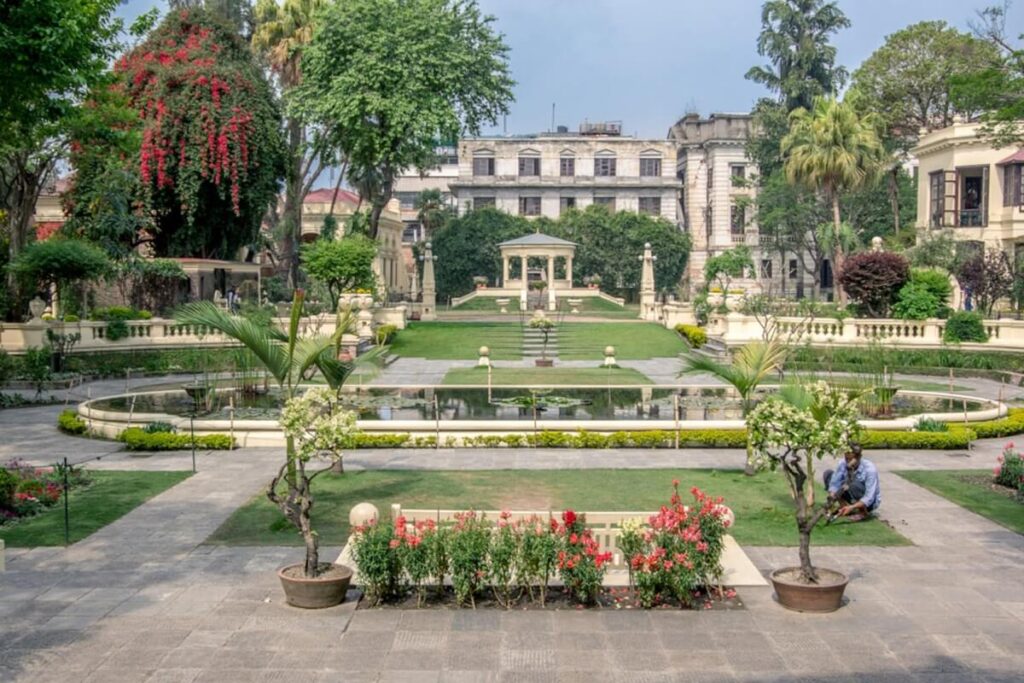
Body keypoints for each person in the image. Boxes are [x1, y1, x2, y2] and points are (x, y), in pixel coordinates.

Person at [823, 443, 880, 522]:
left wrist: (851, 507)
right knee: (828, 474)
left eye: (851, 459)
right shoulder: (842, 463)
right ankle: (843, 506)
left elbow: (869, 497)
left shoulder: (870, 469)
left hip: (869, 503)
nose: (848, 462)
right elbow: (834, 483)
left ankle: (863, 512)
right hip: (850, 492)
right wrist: (832, 497)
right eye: (846, 458)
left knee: (851, 483)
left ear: (859, 457)